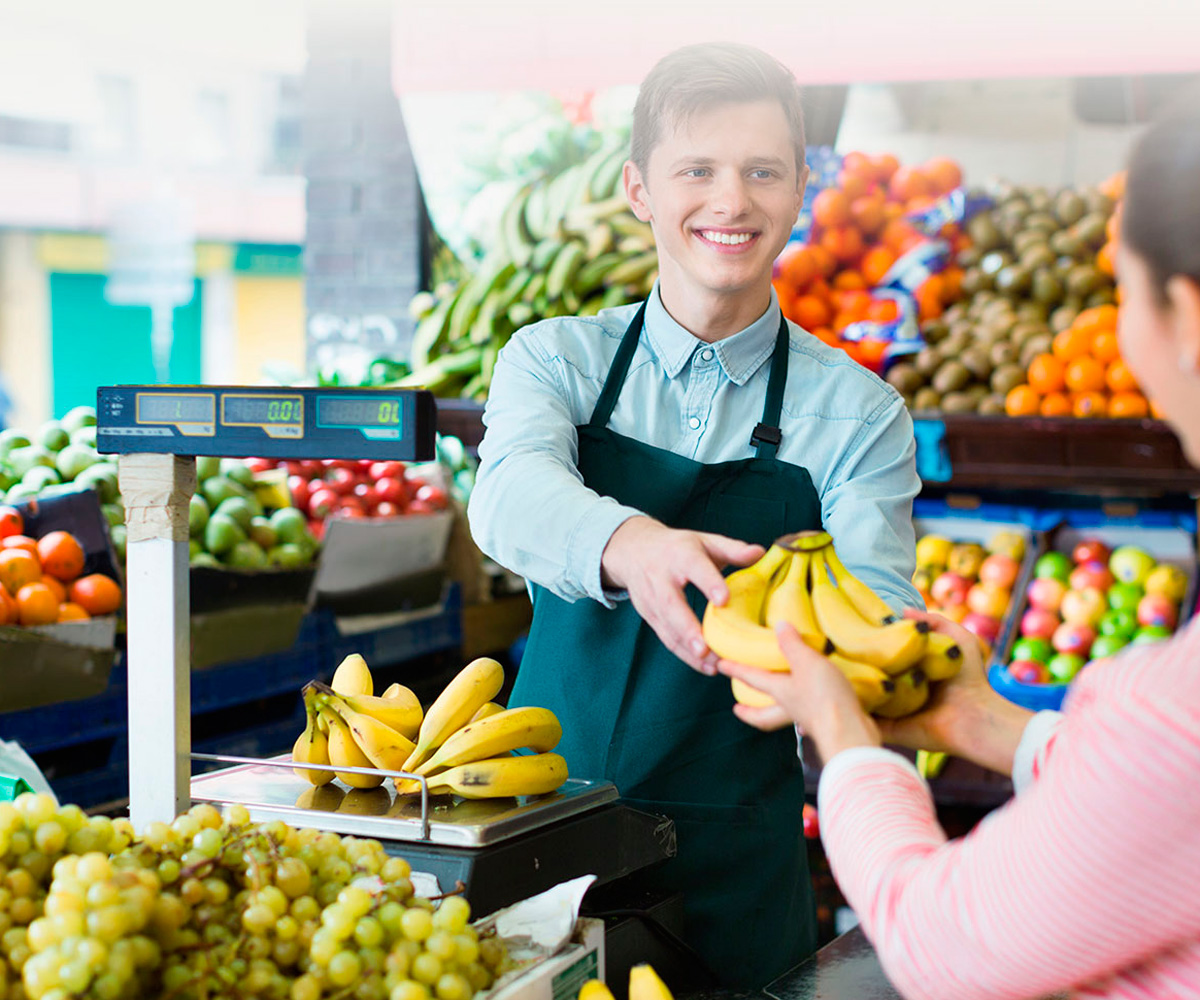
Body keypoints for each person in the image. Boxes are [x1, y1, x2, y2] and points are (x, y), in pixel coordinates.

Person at [718, 94, 1200, 1000]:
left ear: (1185, 312)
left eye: (1119, 285)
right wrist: (985, 724)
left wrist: (846, 739)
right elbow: (1169, 809)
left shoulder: (1168, 706)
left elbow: (946, 945)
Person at [468, 42, 923, 987]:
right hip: (542, 833)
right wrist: (631, 544)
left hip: (738, 869)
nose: (731, 202)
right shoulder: (556, 361)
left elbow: (876, 617)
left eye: (763, 171)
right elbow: (507, 495)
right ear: (640, 189)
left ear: (801, 186)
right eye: (697, 171)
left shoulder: (859, 413)